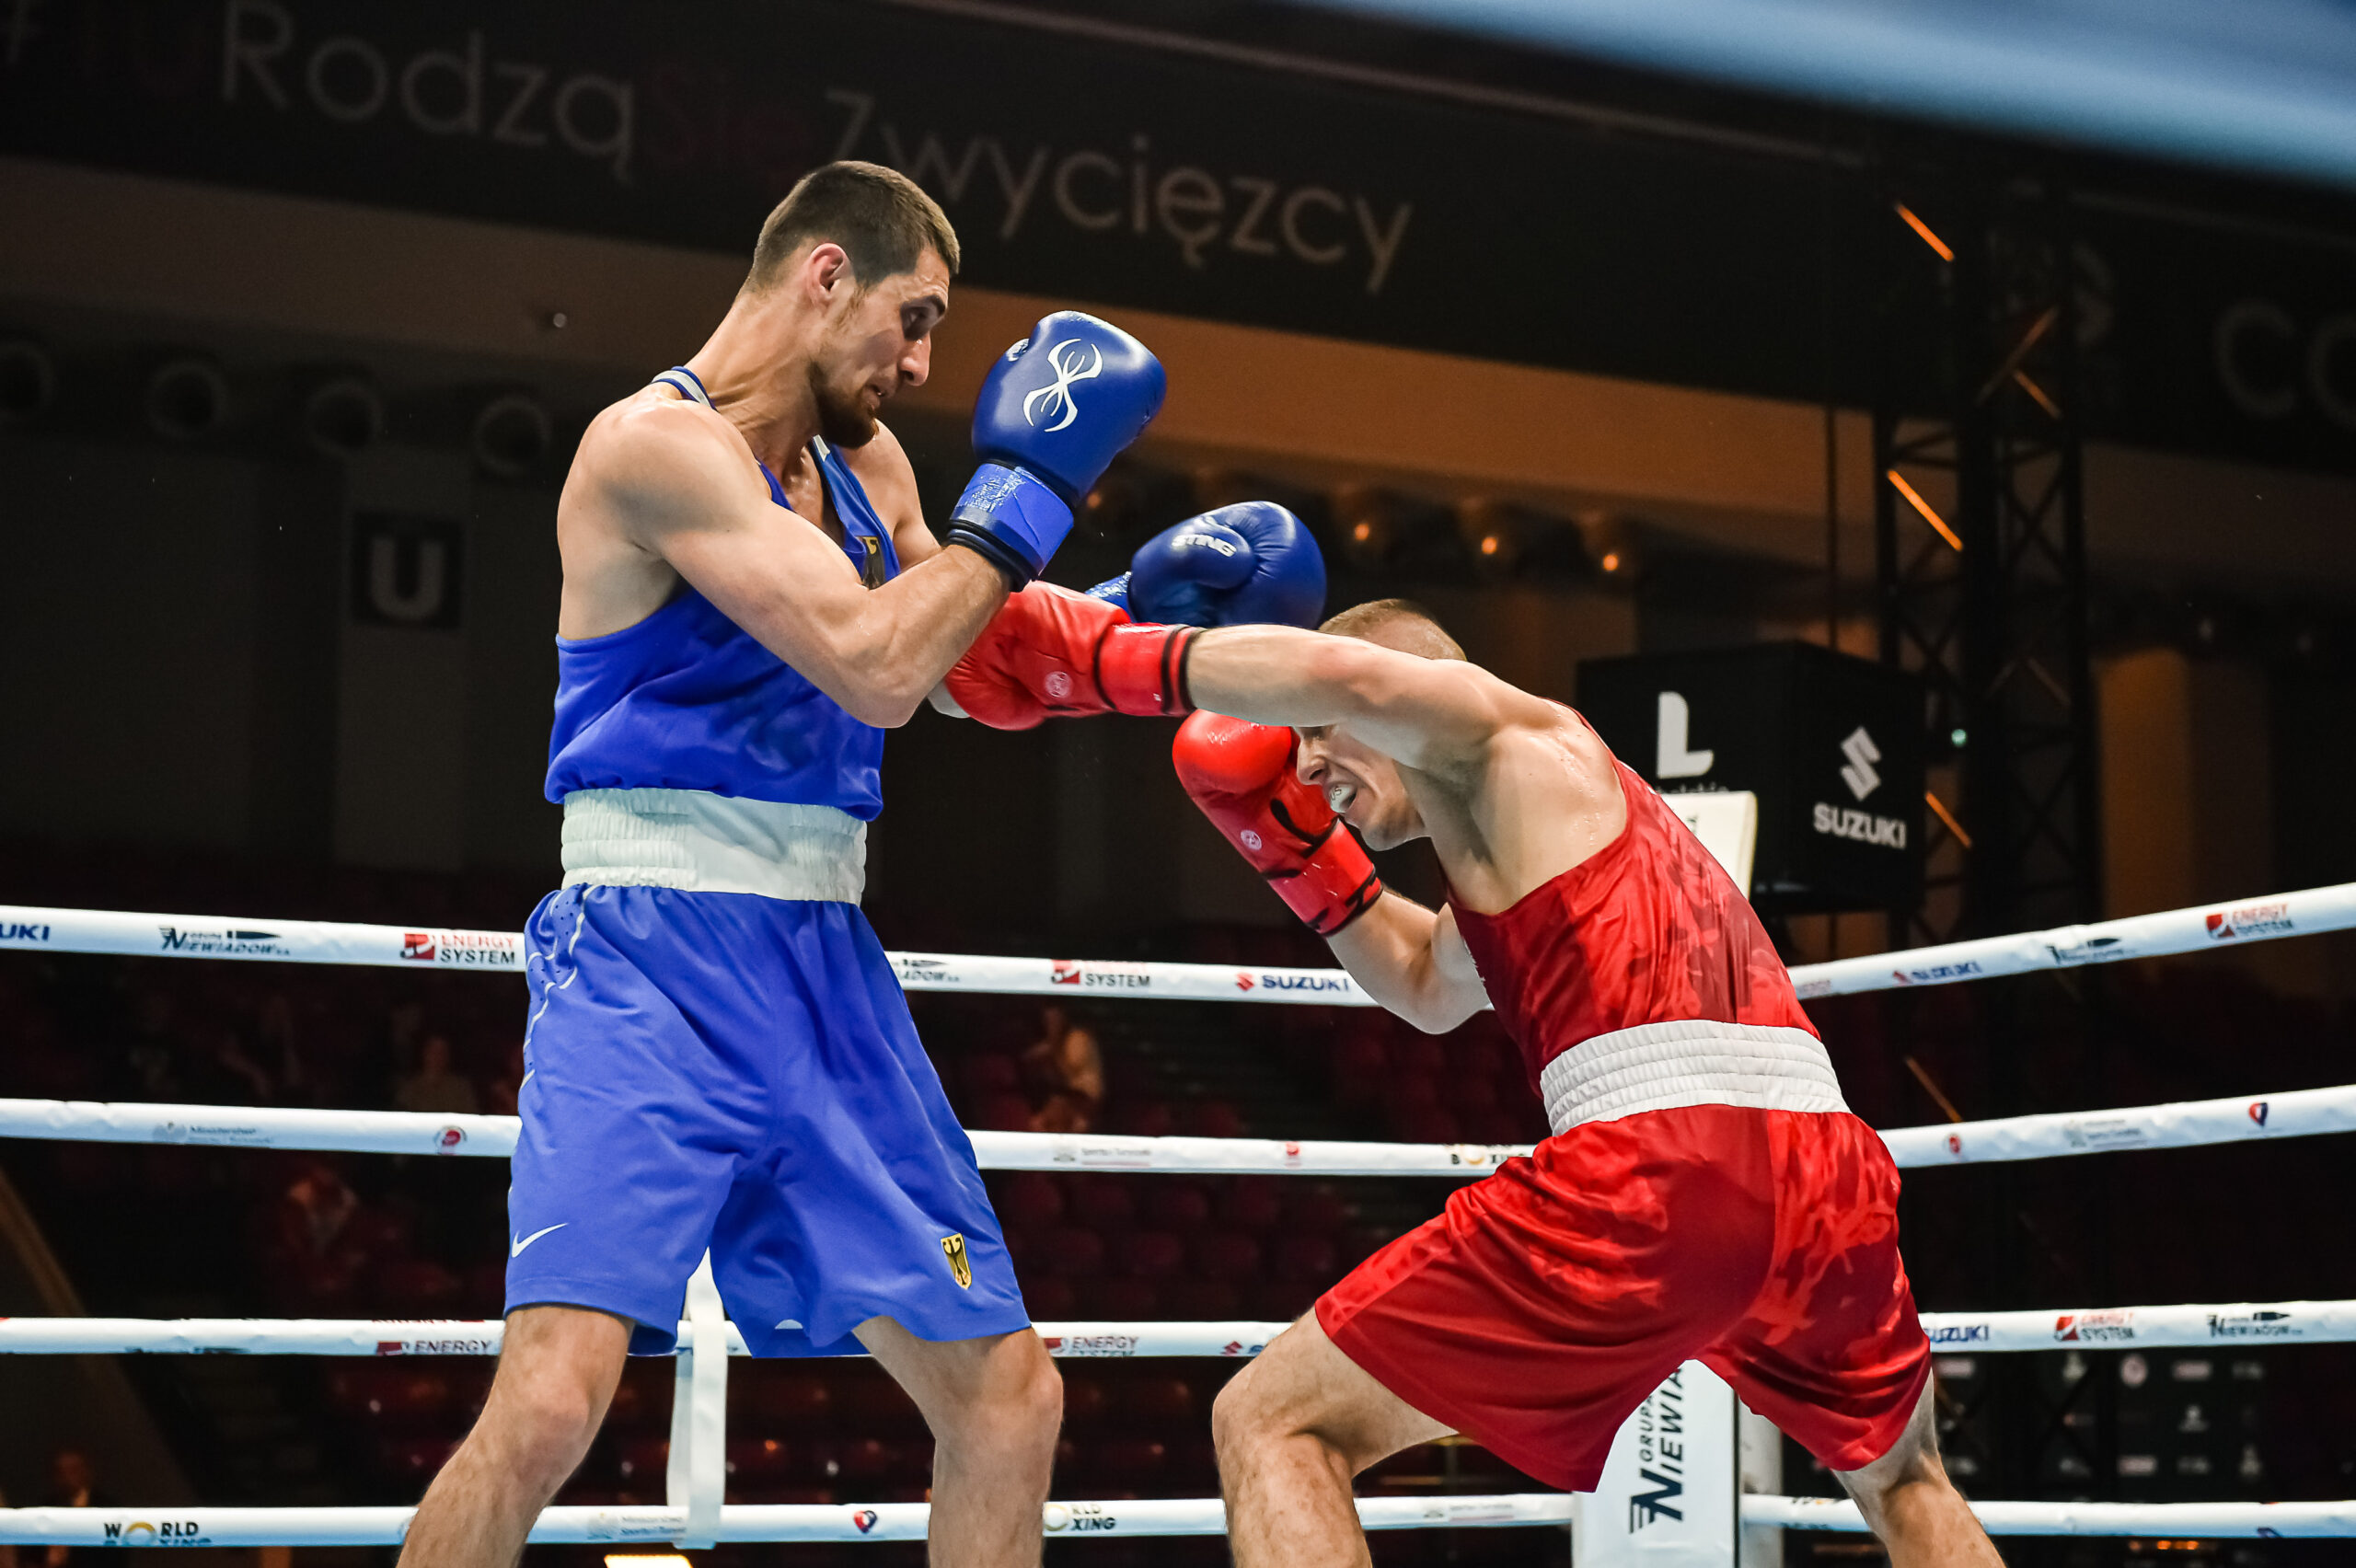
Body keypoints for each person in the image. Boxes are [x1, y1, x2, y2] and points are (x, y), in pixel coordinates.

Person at [398, 160, 1320, 1568]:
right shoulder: (652, 447)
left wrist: (1134, 612)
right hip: (649, 959)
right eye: (915, 318)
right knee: (548, 1407)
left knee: (1009, 1403)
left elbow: (960, 664)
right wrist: (1032, 490)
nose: (924, 363)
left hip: (825, 961)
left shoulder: (868, 468)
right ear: (827, 275)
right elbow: (877, 665)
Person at [951, 597, 1999, 1567]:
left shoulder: (1516, 734)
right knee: (1906, 1478)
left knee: (1271, 1421)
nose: (1304, 765)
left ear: (1402, 687)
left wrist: (1090, 655)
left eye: (1316, 732)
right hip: (1825, 1174)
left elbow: (1352, 676)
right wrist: (1289, 849)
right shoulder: (1538, 832)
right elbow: (1422, 981)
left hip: (1663, 1170)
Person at [1021, 1003, 1103, 1134]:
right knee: (1038, 1120)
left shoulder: (1078, 1038)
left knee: (1063, 1113)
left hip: (1085, 1097)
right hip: (1064, 1095)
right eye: (1048, 1021)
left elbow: (1068, 1074)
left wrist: (1051, 1052)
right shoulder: (1055, 1041)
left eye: (1055, 1020)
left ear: (1064, 1020)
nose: (1051, 1025)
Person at [393, 1034, 479, 1115]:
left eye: (442, 1052)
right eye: (433, 1051)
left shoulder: (460, 1088)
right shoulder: (410, 1088)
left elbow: (470, 1117)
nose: (437, 1057)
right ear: (424, 1054)